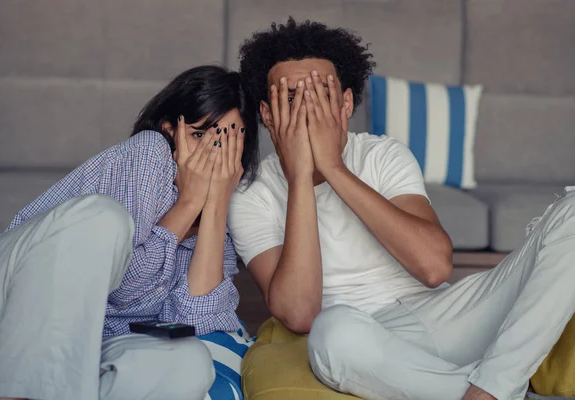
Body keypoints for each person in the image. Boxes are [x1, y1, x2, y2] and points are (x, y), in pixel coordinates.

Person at [227, 17, 575, 400]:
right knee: (332, 334)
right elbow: (299, 314)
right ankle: (501, 390)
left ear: (345, 104)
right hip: (365, 341)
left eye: (321, 95)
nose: (307, 110)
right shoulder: (252, 193)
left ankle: (492, 385)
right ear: (268, 114)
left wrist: (334, 169)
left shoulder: (382, 154)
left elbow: (433, 268)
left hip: (449, 316)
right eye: (291, 98)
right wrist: (301, 179)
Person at [0, 65, 259, 400]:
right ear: (171, 129)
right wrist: (189, 202)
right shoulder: (150, 152)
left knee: (189, 362)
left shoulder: (225, 208)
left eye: (226, 142)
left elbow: (200, 321)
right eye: (199, 135)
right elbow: (122, 291)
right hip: (0, 309)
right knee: (103, 217)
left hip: (69, 356)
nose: (213, 155)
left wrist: (213, 206)